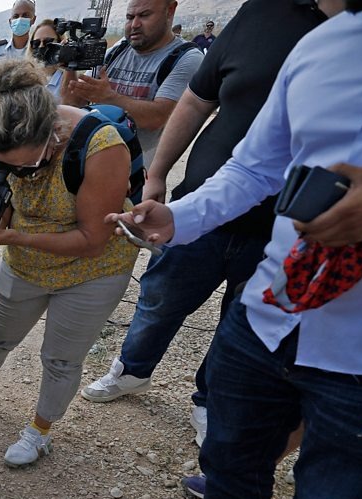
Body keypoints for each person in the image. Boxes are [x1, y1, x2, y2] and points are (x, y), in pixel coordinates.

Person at [114, 5, 362, 499]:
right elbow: (255, 167)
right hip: (272, 306)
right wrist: (178, 217)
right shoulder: (324, 45)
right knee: (230, 450)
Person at [82, 0, 332, 469]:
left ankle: (209, 401)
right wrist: (160, 179)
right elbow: (204, 108)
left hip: (284, 232)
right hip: (206, 206)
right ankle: (132, 370)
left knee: (235, 323)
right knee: (160, 298)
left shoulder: (349, 41)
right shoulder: (262, 14)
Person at [0, 60, 138, 468]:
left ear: (53, 134)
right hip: (27, 263)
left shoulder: (101, 147)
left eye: (27, 166)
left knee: (60, 358)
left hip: (92, 271)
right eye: (7, 165)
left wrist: (16, 237)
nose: (19, 173)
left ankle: (40, 431)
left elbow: (92, 240)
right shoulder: (1, 138)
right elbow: (5, 206)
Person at [63, 0, 204, 167]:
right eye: (129, 17)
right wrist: (70, 65)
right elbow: (72, 103)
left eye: (144, 15)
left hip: (137, 172)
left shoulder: (187, 58)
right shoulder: (118, 49)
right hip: (92, 164)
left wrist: (108, 98)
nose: (135, 24)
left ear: (170, 10)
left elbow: (158, 117)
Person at [28, 18, 65, 101]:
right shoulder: (25, 81)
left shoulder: (68, 80)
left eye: (47, 42)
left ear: (60, 43)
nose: (41, 46)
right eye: (36, 43)